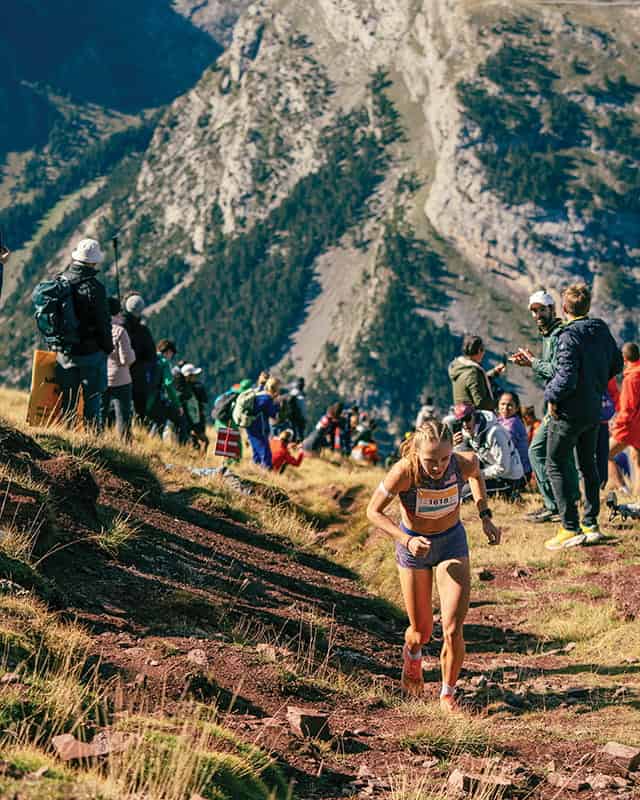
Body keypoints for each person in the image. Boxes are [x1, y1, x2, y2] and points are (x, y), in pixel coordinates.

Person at [366, 421, 501, 710]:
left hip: (451, 543)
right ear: (416, 453)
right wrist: (405, 540)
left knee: (453, 628)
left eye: (444, 458)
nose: (438, 466)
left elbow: (476, 473)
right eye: (430, 460)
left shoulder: (462, 462)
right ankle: (412, 656)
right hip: (415, 548)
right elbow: (373, 511)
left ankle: (447, 694)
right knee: (421, 632)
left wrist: (485, 514)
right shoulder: (404, 472)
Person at [543, 283, 623, 550]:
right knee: (587, 464)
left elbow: (565, 378)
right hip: (593, 409)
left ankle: (569, 527)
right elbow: (617, 363)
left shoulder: (568, 336)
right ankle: (591, 524)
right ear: (587, 306)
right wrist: (596, 383)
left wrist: (550, 395)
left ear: (564, 308)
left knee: (554, 462)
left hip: (569, 411)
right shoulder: (601, 329)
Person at [511, 290, 580, 524]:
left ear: (552, 309)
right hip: (559, 404)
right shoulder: (548, 335)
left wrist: (532, 362)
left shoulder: (559, 335)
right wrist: (532, 362)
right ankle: (569, 500)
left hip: (560, 405)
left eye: (541, 310)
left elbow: (556, 371)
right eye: (534, 311)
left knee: (537, 451)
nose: (537, 314)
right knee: (562, 455)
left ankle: (554, 505)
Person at [55, 238, 113, 430]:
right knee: (92, 401)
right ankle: (93, 442)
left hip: (65, 352)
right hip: (91, 353)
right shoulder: (96, 288)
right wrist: (108, 347)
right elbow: (104, 323)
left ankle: (67, 439)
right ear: (92, 262)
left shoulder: (60, 281)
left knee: (68, 401)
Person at [452, 404, 524, 499]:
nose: (464, 424)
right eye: (460, 421)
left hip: (508, 478)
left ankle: (512, 494)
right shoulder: (467, 432)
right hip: (489, 470)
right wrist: (453, 445)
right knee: (455, 489)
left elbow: (503, 468)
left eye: (467, 418)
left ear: (475, 416)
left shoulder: (495, 433)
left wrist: (476, 475)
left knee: (462, 495)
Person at [608, 343, 640, 496]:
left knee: (603, 454)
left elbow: (628, 408)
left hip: (629, 427)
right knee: (637, 460)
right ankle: (637, 498)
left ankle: (622, 488)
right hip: (638, 425)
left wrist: (616, 425)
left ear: (624, 358)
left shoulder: (631, 378)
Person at [103, 297, 135, 441]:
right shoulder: (120, 332)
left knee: (100, 413)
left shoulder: (99, 328)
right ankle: (125, 443)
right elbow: (126, 359)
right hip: (121, 379)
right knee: (123, 416)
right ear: (118, 312)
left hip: (102, 376)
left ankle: (96, 440)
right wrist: (133, 352)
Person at [122, 294, 157, 422]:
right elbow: (152, 356)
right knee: (139, 407)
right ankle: (140, 430)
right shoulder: (143, 331)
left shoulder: (119, 328)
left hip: (119, 372)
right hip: (138, 374)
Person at [448, 335, 505, 412]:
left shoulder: (460, 366)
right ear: (479, 350)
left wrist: (495, 372)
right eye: (483, 350)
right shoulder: (473, 372)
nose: (484, 353)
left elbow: (476, 383)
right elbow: (480, 403)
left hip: (461, 413)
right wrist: (500, 402)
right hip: (474, 417)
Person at [147, 339, 186, 441]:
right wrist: (178, 405)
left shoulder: (148, 358)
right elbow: (168, 385)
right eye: (171, 354)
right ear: (168, 352)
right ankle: (155, 442)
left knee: (149, 421)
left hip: (139, 395)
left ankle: (150, 440)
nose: (171, 357)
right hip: (154, 397)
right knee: (163, 418)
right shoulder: (164, 363)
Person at [497, 391, 532, 481]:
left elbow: (503, 447)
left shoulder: (513, 424)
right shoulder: (500, 420)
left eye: (509, 405)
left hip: (518, 474)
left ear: (516, 408)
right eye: (503, 404)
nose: (505, 408)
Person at [247, 376, 281, 468]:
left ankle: (254, 471)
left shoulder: (259, 394)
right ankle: (266, 475)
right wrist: (277, 404)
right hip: (260, 428)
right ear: (275, 388)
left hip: (250, 426)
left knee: (256, 453)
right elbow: (273, 415)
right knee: (266, 455)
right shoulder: (267, 399)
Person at [179, 363, 209, 452]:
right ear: (188, 376)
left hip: (192, 421)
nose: (196, 377)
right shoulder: (192, 389)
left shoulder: (186, 388)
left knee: (198, 443)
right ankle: (201, 460)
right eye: (194, 375)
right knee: (203, 442)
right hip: (194, 421)